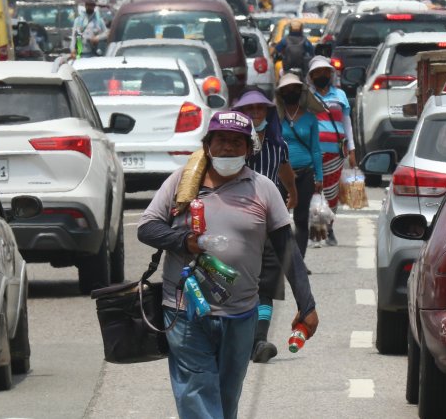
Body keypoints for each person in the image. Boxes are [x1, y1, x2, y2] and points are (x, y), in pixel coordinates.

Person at [138, 112, 319, 419]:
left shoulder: (263, 188)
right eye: (221, 140)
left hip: (241, 314)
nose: (228, 149)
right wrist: (185, 242)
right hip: (184, 309)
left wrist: (307, 304)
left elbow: (286, 248)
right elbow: (147, 228)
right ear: (208, 145)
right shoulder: (182, 183)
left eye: (237, 142)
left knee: (225, 397)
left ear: (249, 150)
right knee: (197, 392)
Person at [231, 89, 300, 364]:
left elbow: (284, 168)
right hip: (236, 220)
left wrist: (293, 191)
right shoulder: (233, 144)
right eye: (250, 111)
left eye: (261, 110)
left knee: (267, 284)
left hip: (268, 221)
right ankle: (238, 338)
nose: (256, 114)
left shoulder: (276, 143)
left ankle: (259, 340)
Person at [276, 73, 324, 258]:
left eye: (294, 89)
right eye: (287, 89)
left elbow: (316, 149)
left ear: (301, 92)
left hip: (306, 173)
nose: (291, 92)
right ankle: (281, 259)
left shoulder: (310, 119)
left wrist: (319, 177)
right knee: (279, 219)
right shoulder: (276, 118)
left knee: (301, 218)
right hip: (281, 174)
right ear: (281, 93)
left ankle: (299, 261)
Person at [307, 56, 354, 246]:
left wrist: (352, 149)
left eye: (325, 72)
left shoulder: (340, 95)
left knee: (332, 193)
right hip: (312, 153)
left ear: (331, 74)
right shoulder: (306, 96)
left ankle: (330, 228)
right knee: (313, 191)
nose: (322, 75)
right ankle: (315, 231)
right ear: (311, 76)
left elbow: (347, 124)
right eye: (317, 72)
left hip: (335, 152)